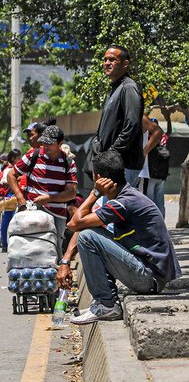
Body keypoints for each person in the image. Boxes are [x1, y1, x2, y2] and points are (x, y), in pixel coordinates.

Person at [61, 150, 181, 324]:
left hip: (149, 278)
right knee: (90, 234)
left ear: (99, 178)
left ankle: (107, 304)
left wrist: (95, 193)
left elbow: (74, 224)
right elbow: (81, 223)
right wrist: (65, 261)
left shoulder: (124, 202)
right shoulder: (125, 197)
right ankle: (105, 300)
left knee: (87, 237)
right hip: (150, 275)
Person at [6, 125, 77, 255]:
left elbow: (71, 192)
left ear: (60, 143)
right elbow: (11, 175)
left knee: (54, 253)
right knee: (29, 249)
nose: (45, 146)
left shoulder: (68, 162)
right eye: (44, 142)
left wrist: (49, 198)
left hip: (58, 216)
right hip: (33, 212)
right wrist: (21, 199)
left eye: (50, 143)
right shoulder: (34, 154)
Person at [96, 45, 144, 186]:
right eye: (105, 59)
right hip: (111, 165)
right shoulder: (115, 88)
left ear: (125, 64)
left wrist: (111, 153)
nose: (106, 63)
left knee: (118, 207)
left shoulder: (128, 88)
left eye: (112, 59)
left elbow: (132, 125)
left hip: (124, 166)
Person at [144, 113, 172, 216]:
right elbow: (169, 131)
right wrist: (168, 118)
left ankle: (153, 221)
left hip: (151, 174)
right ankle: (162, 221)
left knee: (150, 199)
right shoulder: (163, 139)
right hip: (162, 174)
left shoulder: (150, 139)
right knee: (160, 200)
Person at [137, 114, 165, 211]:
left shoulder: (150, 141)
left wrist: (144, 152)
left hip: (144, 173)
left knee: (146, 200)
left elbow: (159, 132)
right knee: (158, 199)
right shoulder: (163, 142)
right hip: (158, 175)